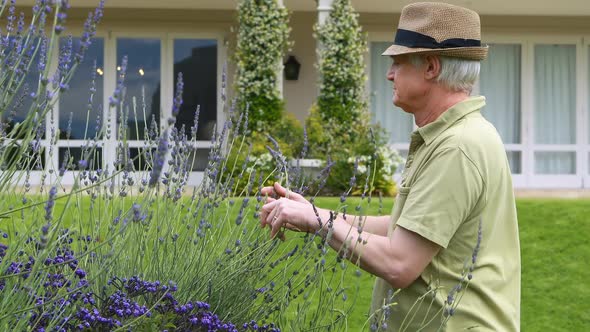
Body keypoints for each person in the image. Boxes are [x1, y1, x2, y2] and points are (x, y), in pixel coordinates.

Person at [259, 2, 520, 331]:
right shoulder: (450, 135)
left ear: (430, 67)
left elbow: (399, 263)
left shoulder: (457, 146)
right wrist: (315, 212)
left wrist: (316, 222)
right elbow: (403, 228)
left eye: (398, 62)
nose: (389, 73)